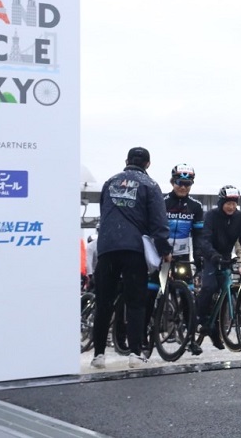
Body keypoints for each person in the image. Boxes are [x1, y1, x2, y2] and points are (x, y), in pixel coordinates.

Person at [91, 147, 172, 369]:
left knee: (104, 301)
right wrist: (165, 249)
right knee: (136, 301)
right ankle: (135, 353)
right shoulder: (150, 185)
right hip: (134, 249)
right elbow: (158, 222)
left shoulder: (110, 182)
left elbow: (104, 212)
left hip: (106, 247)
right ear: (148, 164)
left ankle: (98, 355)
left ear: (126, 160)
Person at [193, 185, 241, 349]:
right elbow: (204, 239)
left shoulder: (240, 218)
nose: (231, 207)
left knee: (224, 288)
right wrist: (213, 256)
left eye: (234, 204)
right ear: (221, 202)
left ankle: (216, 330)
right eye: (228, 203)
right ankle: (200, 319)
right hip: (211, 257)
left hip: (226, 257)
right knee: (210, 287)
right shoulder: (211, 216)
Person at [164, 163, 204, 281]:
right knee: (153, 289)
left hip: (182, 255)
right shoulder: (161, 203)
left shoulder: (196, 206)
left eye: (187, 184)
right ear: (172, 182)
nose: (183, 187)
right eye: (180, 182)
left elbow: (198, 236)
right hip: (161, 253)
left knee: (186, 292)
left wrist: (198, 258)